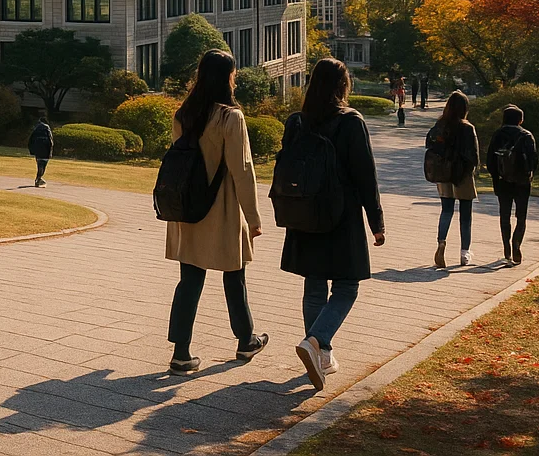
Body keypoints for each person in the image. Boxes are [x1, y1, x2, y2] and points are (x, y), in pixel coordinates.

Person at [281, 57, 385, 393]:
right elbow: (365, 175)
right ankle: (318, 342)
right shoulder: (350, 121)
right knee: (346, 286)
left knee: (314, 285)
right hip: (340, 217)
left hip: (304, 214)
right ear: (343, 86)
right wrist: (376, 221)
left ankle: (320, 355)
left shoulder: (297, 121)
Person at [164, 50, 268, 374]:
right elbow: (243, 170)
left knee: (189, 280)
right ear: (228, 77)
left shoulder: (184, 114)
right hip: (221, 209)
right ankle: (245, 339)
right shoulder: (230, 117)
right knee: (234, 275)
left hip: (186, 209)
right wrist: (254, 218)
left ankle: (181, 353)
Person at [428, 91, 481, 268]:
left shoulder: (440, 124)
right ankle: (464, 253)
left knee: (446, 211)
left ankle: (441, 242)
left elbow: (430, 144)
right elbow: (474, 155)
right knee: (466, 216)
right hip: (462, 175)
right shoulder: (468, 128)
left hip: (444, 174)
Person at [486, 104, 538, 266]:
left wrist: (496, 177)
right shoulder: (527, 136)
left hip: (503, 181)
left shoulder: (498, 134)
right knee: (521, 216)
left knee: (505, 215)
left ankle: (506, 247)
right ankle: (517, 244)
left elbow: (490, 161)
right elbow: (534, 161)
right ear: (520, 120)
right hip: (522, 182)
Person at [28, 114, 54, 187]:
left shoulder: (36, 129)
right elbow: (51, 141)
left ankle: (38, 179)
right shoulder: (47, 128)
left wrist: (32, 150)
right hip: (46, 149)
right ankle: (38, 178)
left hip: (38, 149)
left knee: (39, 164)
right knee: (43, 165)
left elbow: (31, 140)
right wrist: (51, 152)